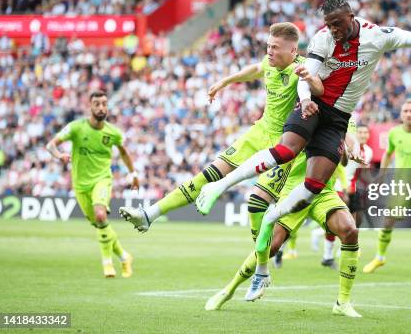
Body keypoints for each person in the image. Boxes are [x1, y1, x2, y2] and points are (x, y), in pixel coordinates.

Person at [197, 0, 411, 258]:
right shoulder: (322, 39)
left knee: (314, 184)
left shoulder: (377, 35)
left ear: (352, 17)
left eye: (337, 24)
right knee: (286, 150)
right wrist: (304, 101)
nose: (333, 30)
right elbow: (307, 77)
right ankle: (219, 186)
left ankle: (273, 217)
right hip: (315, 104)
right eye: (329, 25)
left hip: (338, 118)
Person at [119, 23, 322, 242]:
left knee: (256, 204)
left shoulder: (302, 68)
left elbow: (318, 86)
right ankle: (149, 215)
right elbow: (256, 69)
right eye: (268, 46)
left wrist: (310, 83)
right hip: (259, 133)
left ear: (293, 51)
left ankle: (262, 263)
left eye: (275, 47)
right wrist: (225, 81)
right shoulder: (269, 63)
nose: (269, 51)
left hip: (284, 144)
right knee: (207, 175)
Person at [205, 120, 364, 318]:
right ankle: (228, 290)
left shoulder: (346, 119)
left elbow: (344, 159)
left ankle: (343, 302)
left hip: (323, 192)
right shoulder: (307, 113)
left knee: (350, 231)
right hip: (295, 190)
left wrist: (350, 151)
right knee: (271, 246)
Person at [46, 91, 139, 278]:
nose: (101, 107)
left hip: (102, 179)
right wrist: (59, 155)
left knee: (100, 214)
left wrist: (133, 173)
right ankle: (124, 256)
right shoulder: (76, 128)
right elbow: (51, 145)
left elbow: (124, 153)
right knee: (100, 223)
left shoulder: (113, 132)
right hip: (80, 185)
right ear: (90, 106)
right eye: (97, 104)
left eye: (104, 103)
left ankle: (107, 264)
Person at [362, 100, 411, 277]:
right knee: (388, 220)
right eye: (405, 111)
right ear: (401, 114)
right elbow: (388, 155)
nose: (409, 114)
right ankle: (379, 257)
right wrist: (381, 176)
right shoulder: (394, 133)